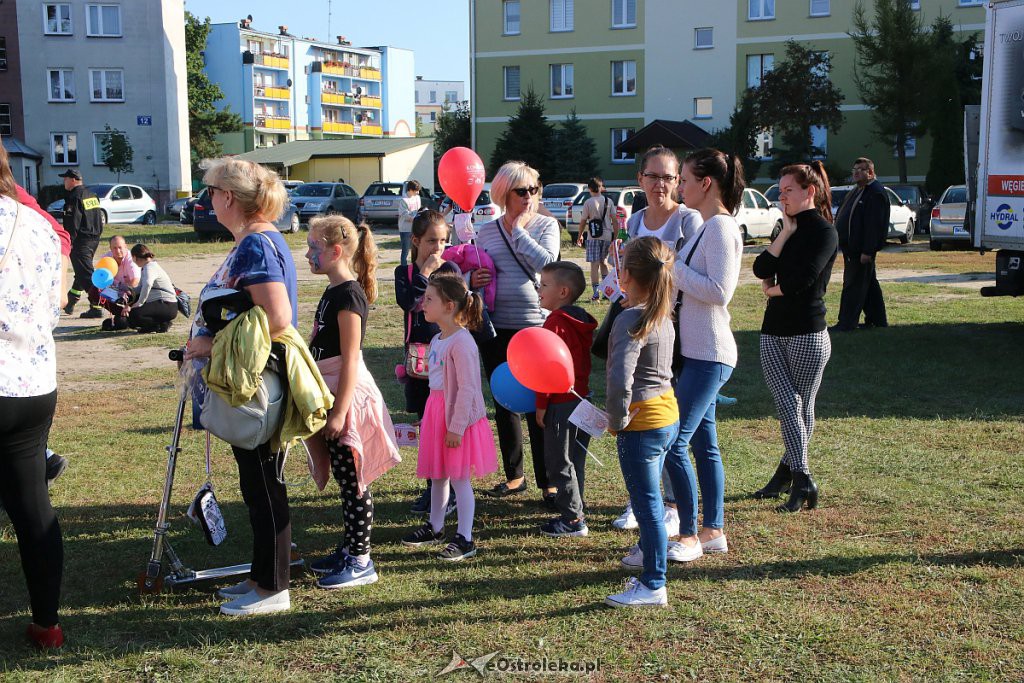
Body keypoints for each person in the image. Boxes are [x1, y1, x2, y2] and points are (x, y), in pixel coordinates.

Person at [184, 157, 298, 617]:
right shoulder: (252, 241)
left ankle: (274, 589)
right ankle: (259, 577)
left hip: (258, 385)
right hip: (247, 384)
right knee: (255, 484)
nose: (206, 200)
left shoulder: (257, 244)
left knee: (265, 485)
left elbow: (276, 317)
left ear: (228, 197)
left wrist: (210, 343)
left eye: (209, 191)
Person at [659, 147, 744, 561]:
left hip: (710, 354)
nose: (681, 188)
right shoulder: (708, 227)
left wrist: (672, 264)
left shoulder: (720, 228)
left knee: (675, 443)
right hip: (697, 352)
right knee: (704, 444)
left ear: (706, 183)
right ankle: (714, 531)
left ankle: (690, 535)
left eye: (686, 180)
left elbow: (718, 291)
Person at [612, 145, 700, 534]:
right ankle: (639, 500)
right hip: (640, 321)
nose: (661, 184)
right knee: (639, 408)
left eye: (669, 177)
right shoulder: (634, 223)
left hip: (673, 331)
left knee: (664, 419)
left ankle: (670, 505)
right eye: (653, 176)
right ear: (640, 180)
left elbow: (696, 276)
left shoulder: (688, 221)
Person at [0, 144, 66, 647]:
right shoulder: (38, 222)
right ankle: (47, 623)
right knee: (32, 506)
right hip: (32, 384)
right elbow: (55, 303)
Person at [304, 215, 387, 588]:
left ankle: (361, 560)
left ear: (335, 251)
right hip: (330, 390)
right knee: (343, 477)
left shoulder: (349, 294)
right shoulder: (332, 290)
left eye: (313, 248)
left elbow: (351, 356)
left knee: (355, 480)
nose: (307, 254)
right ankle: (348, 549)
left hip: (346, 397)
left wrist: (339, 411)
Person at [752, 162, 838, 512]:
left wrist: (772, 292)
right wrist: (784, 233)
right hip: (772, 332)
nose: (781, 196)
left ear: (809, 192)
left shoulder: (824, 232)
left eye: (788, 190)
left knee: (798, 407)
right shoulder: (786, 228)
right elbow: (760, 268)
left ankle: (795, 477)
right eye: (780, 190)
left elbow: (803, 280)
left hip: (808, 334)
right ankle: (797, 477)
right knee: (792, 407)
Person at [472, 161, 560, 503]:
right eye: (521, 191)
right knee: (504, 401)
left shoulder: (546, 225)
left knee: (538, 403)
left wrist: (520, 231)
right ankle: (514, 475)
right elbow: (476, 269)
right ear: (503, 195)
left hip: (534, 326)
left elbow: (548, 265)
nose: (528, 197)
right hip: (495, 325)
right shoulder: (487, 231)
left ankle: (548, 480)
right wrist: (471, 280)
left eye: (533, 190)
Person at [604, 237, 679, 609]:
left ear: (626, 275)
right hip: (666, 417)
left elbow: (621, 377)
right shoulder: (661, 314)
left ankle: (653, 582)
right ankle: (650, 563)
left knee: (647, 506)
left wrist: (616, 419)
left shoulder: (631, 318)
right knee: (651, 505)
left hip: (642, 424)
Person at [401, 272, 498, 561]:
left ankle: (465, 538)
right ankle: (436, 526)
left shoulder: (462, 342)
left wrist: (455, 428)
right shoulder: (439, 338)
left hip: (458, 419)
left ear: (449, 305)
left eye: (429, 299)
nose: (422, 303)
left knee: (458, 479)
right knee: (438, 476)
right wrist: (429, 417)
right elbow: (437, 384)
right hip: (437, 412)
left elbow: (468, 388)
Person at [394, 209, 461, 515]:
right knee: (425, 423)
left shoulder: (449, 269)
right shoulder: (404, 273)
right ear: (417, 240)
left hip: (444, 355)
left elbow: (455, 306)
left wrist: (436, 271)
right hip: (417, 358)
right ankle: (433, 487)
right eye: (432, 240)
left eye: (443, 240)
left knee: (444, 422)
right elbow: (408, 302)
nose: (438, 247)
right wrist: (423, 274)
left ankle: (450, 492)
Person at [535, 262, 597, 538]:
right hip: (582, 399)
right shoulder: (580, 319)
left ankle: (572, 520)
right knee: (575, 459)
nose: (539, 289)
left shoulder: (555, 323)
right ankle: (576, 507)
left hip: (561, 402)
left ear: (562, 292)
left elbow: (546, 368)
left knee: (559, 460)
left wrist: (541, 405)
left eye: (544, 285)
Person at [834, 157, 889, 331]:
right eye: (854, 169)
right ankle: (877, 320)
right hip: (851, 248)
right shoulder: (860, 190)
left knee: (853, 286)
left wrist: (868, 250)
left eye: (861, 170)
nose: (856, 173)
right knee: (869, 284)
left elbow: (874, 225)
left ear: (871, 172)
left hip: (861, 250)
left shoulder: (875, 192)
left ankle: (846, 323)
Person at [59, 169, 105, 318]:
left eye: (65, 179)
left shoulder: (74, 197)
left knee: (86, 274)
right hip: (94, 238)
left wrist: (69, 241)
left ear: (73, 180)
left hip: (81, 241)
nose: (64, 182)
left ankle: (97, 306)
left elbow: (73, 223)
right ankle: (71, 300)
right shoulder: (91, 195)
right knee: (82, 271)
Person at [576, 178, 614, 301]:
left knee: (594, 264)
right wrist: (615, 236)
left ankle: (595, 294)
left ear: (590, 189)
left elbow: (583, 221)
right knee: (604, 263)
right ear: (601, 187)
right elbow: (615, 221)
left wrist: (580, 235)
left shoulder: (588, 202)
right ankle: (607, 293)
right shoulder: (609, 201)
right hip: (607, 235)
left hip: (593, 236)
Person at [125, 244, 178, 333]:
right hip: (167, 305)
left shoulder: (150, 267)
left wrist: (140, 303)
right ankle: (162, 324)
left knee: (134, 314)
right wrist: (128, 291)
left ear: (134, 257)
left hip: (166, 304)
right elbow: (141, 288)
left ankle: (155, 326)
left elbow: (148, 284)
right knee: (131, 319)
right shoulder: (147, 267)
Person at [397, 180, 422, 266]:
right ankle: (403, 268)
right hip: (405, 229)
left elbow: (419, 210)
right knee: (405, 251)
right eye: (416, 190)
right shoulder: (403, 200)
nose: (418, 192)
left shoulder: (417, 198)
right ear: (410, 189)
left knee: (416, 249)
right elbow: (404, 214)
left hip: (415, 228)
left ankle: (415, 267)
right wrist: (413, 218)